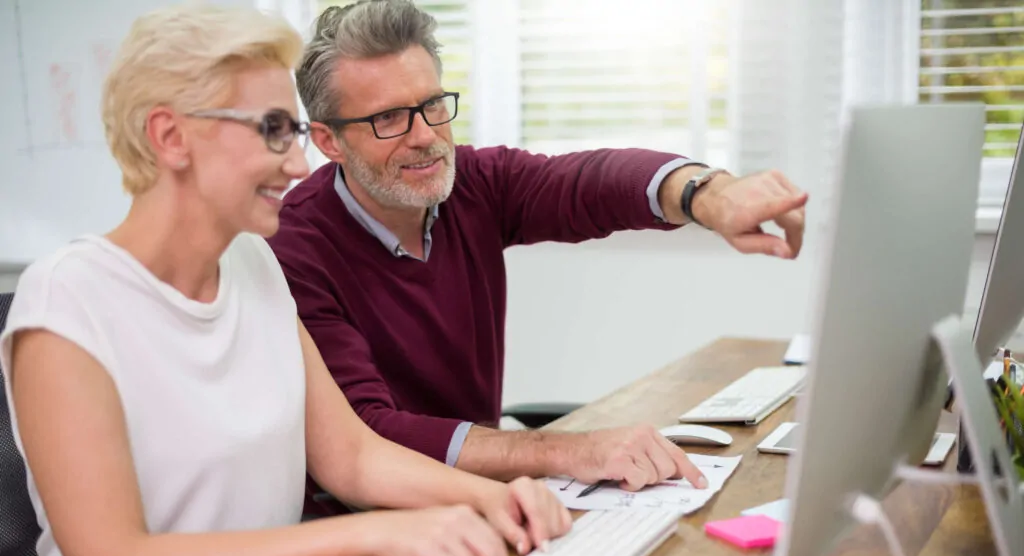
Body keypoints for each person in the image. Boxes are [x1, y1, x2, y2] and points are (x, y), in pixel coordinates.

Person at [0, 5, 569, 556]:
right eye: (273, 130)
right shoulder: (70, 297)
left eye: (295, 130)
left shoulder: (253, 262)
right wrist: (371, 537)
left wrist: (495, 501)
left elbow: (351, 456)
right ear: (169, 136)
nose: (300, 164)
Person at [269, 0, 807, 514]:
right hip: (368, 532)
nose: (426, 137)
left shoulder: (471, 185)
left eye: (433, 105)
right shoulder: (294, 250)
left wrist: (707, 195)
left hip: (490, 506)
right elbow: (368, 433)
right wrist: (565, 449)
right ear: (328, 140)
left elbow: (586, 183)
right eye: (390, 118)